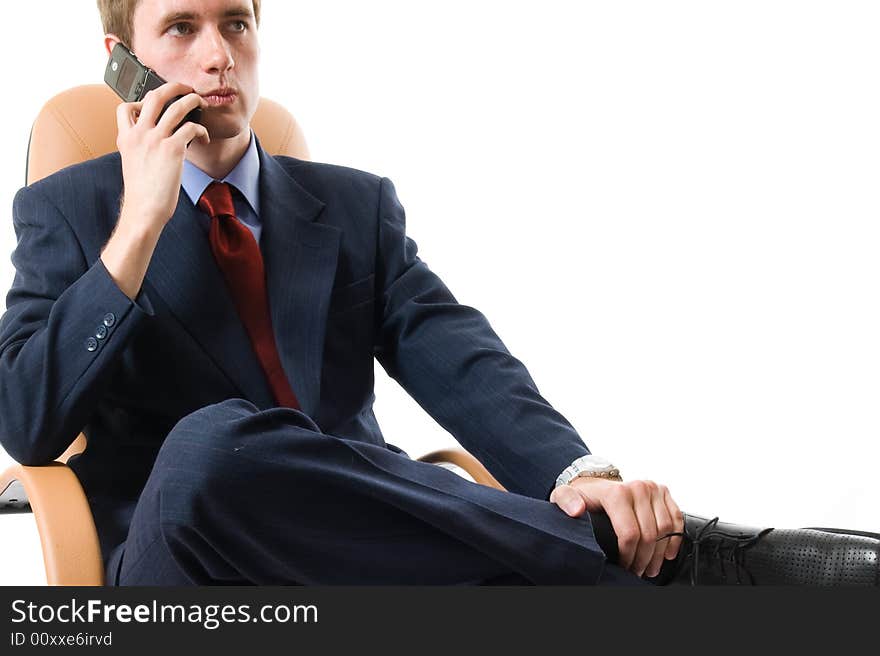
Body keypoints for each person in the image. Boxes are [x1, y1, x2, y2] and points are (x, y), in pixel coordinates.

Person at [0, 0, 876, 586]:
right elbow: (26, 420)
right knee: (210, 445)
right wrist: (138, 228)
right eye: (181, 30)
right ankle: (681, 562)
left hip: (362, 553)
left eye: (237, 22)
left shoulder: (351, 206)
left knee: (415, 483)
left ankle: (625, 547)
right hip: (185, 556)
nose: (219, 56)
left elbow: (455, 350)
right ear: (124, 64)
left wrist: (583, 478)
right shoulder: (71, 214)